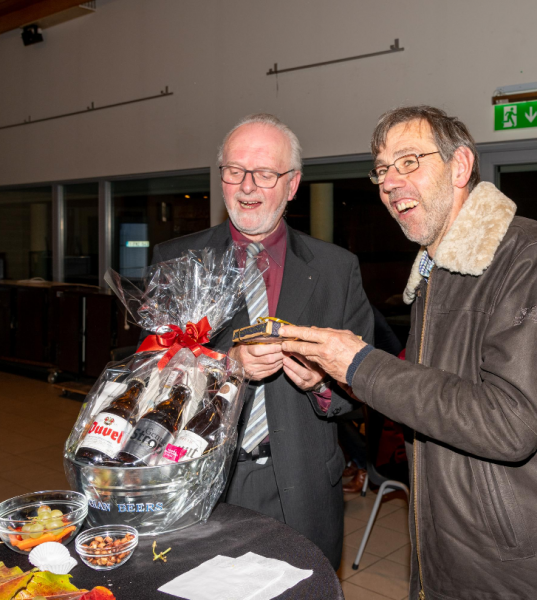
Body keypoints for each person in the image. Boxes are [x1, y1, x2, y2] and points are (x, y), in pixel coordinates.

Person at [280, 106, 537, 599]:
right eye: (381, 170)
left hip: (528, 564)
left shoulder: (532, 259)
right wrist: (337, 376)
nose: (390, 183)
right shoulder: (435, 273)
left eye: (409, 161)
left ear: (460, 167)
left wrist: (360, 363)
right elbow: (436, 398)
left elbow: (509, 424)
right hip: (450, 548)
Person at [146, 113, 373, 569]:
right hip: (201, 478)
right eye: (234, 171)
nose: (247, 187)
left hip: (305, 487)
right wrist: (227, 366)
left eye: (265, 174)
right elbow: (148, 385)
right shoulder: (177, 261)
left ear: (292, 185)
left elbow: (366, 387)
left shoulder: (336, 269)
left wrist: (321, 383)